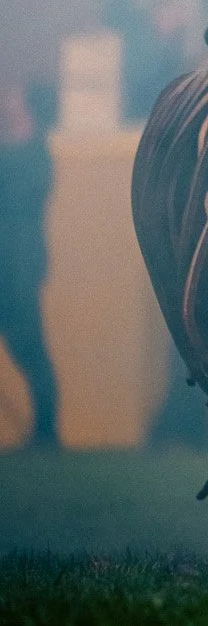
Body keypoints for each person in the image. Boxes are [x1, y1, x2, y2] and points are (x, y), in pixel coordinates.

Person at [0, 78, 58, 450]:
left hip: (18, 262)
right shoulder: (26, 153)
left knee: (29, 346)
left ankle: (45, 430)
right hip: (15, 259)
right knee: (29, 347)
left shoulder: (35, 154)